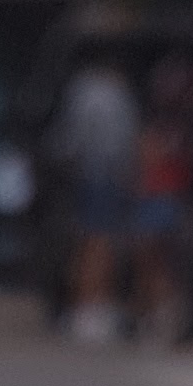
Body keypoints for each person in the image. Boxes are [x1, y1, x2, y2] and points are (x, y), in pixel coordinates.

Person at [52, 53, 139, 343]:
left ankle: (82, 307)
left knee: (88, 242)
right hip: (105, 175)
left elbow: (68, 140)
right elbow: (119, 142)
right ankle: (90, 309)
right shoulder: (108, 94)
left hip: (87, 174)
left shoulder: (80, 90)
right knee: (99, 244)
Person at [132, 55, 193, 347]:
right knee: (153, 261)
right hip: (157, 197)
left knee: (163, 262)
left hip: (167, 198)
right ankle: (155, 316)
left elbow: (161, 159)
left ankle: (165, 317)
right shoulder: (159, 124)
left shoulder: (181, 126)